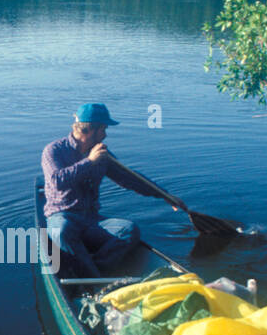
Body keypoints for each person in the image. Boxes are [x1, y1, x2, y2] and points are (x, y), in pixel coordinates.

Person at [41, 102, 173, 278]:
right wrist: (90, 161)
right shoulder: (54, 150)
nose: (105, 134)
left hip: (91, 220)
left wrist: (165, 195)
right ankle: (89, 274)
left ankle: (94, 270)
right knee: (62, 231)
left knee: (130, 230)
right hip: (62, 216)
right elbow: (57, 181)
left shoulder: (103, 154)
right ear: (89, 129)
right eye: (103, 129)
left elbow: (130, 178)